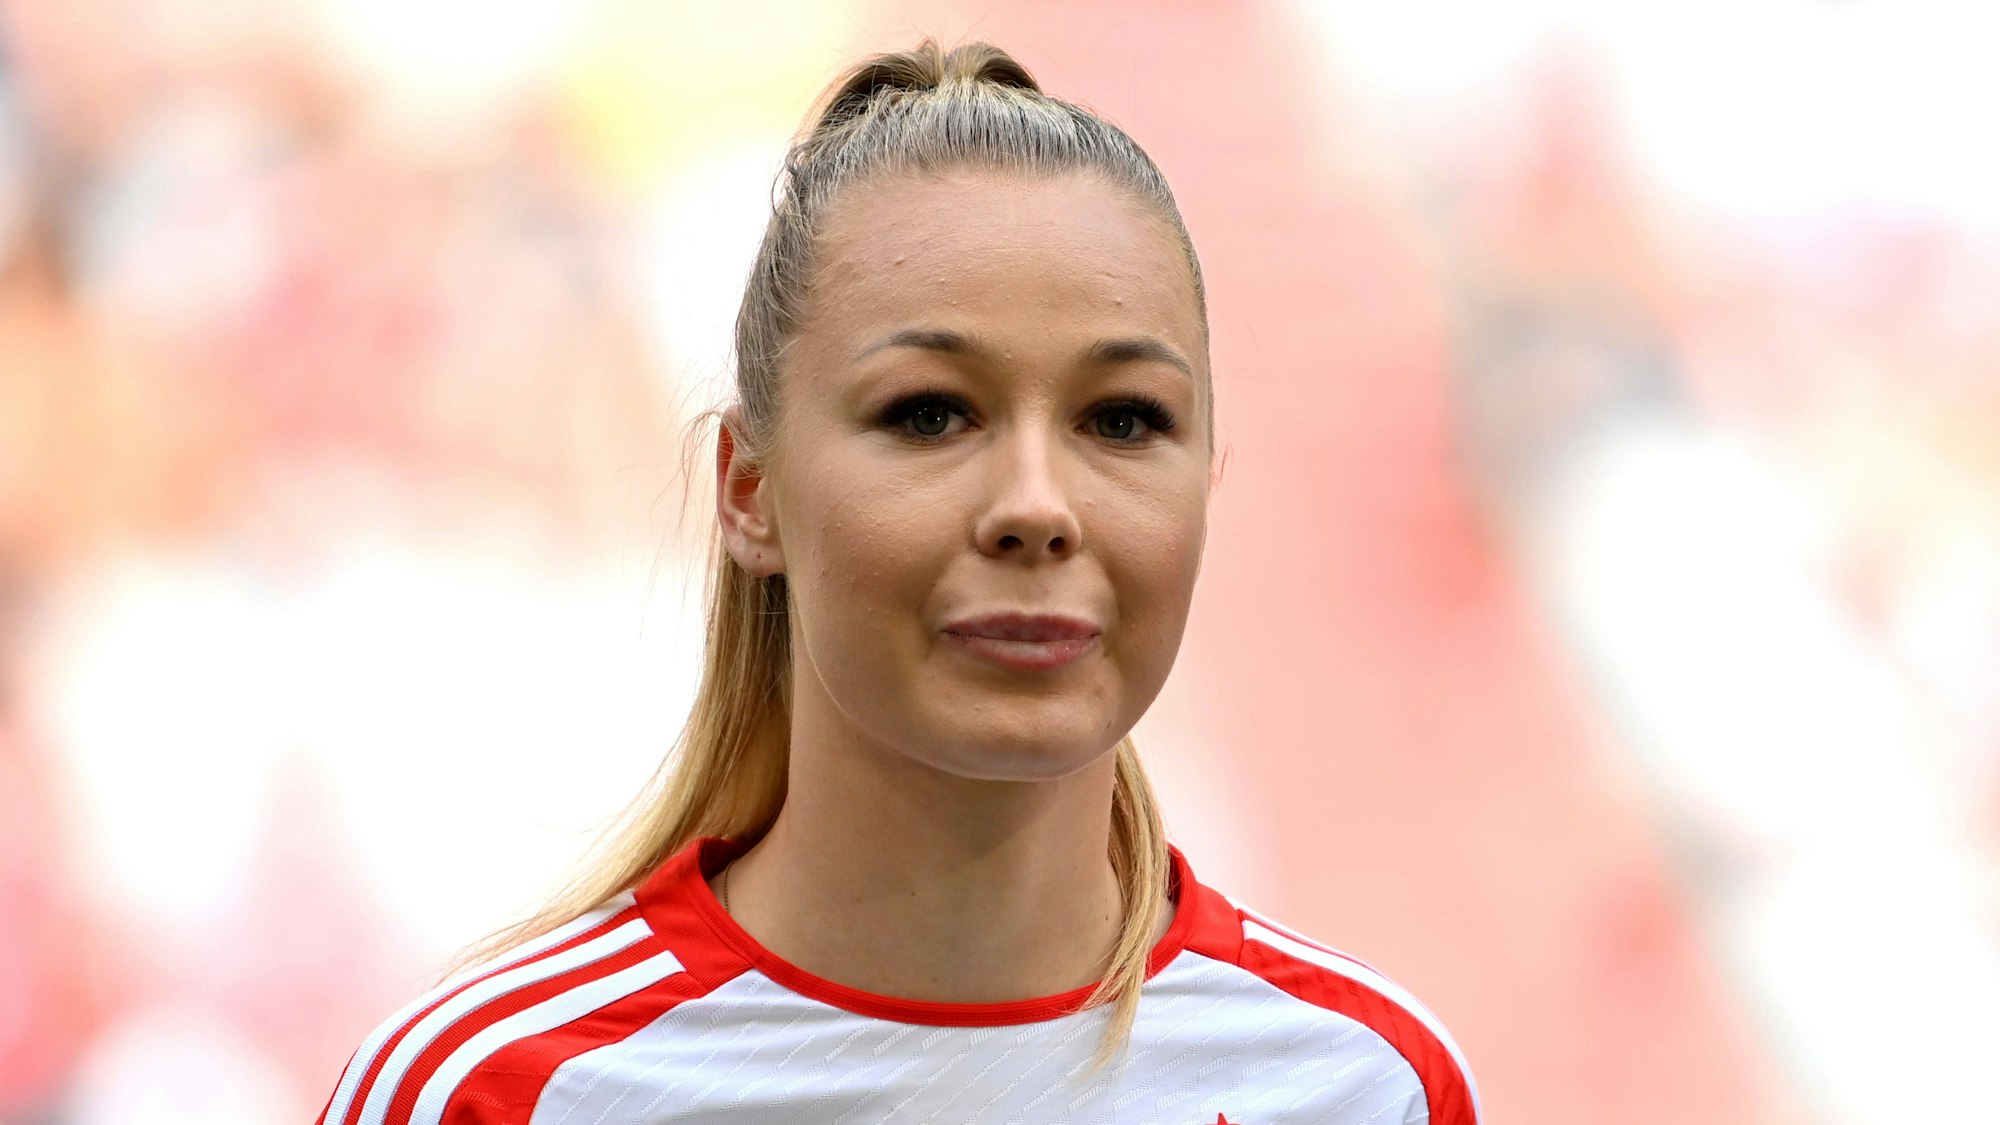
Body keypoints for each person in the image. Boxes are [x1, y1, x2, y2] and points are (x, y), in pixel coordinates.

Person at [315, 38, 1480, 1125]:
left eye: (1121, 420)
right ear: (749, 492)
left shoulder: (1365, 1085)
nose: (1036, 505)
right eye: (928, 413)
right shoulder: (492, 1092)